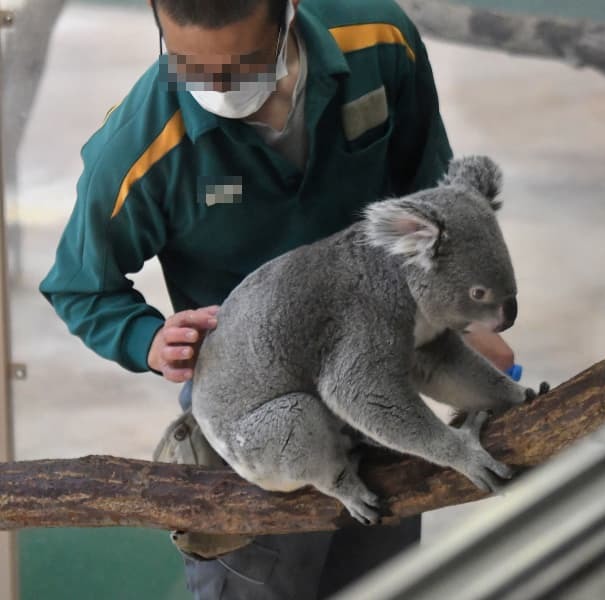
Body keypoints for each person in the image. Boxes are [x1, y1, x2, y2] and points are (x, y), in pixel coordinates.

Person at [40, 0, 516, 597]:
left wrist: (462, 320)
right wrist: (148, 340)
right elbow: (80, 286)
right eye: (187, 64)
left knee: (384, 576)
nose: (216, 85)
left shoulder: (379, 43)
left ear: (288, 14)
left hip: (384, 368)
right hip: (256, 402)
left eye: (240, 66)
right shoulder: (139, 147)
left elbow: (430, 190)